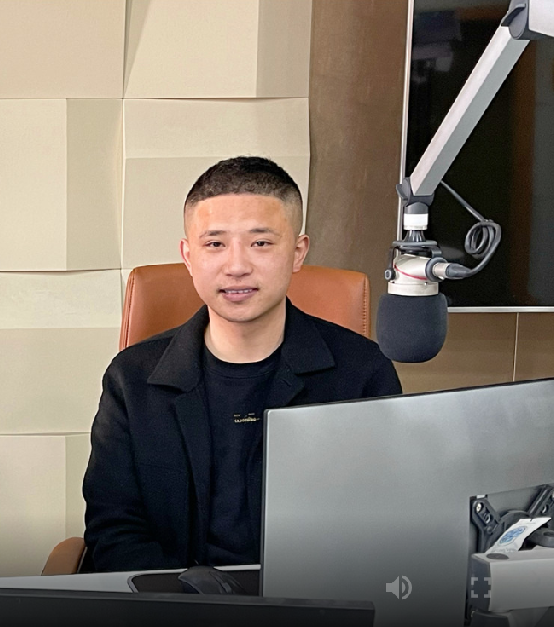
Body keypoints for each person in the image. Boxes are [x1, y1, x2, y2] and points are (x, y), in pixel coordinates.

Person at [82, 156, 401, 572]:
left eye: (260, 243)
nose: (236, 267)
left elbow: (382, 525)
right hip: (172, 604)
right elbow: (114, 532)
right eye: (215, 244)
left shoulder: (361, 373)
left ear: (298, 252)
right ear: (188, 256)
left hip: (312, 602)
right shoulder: (133, 379)